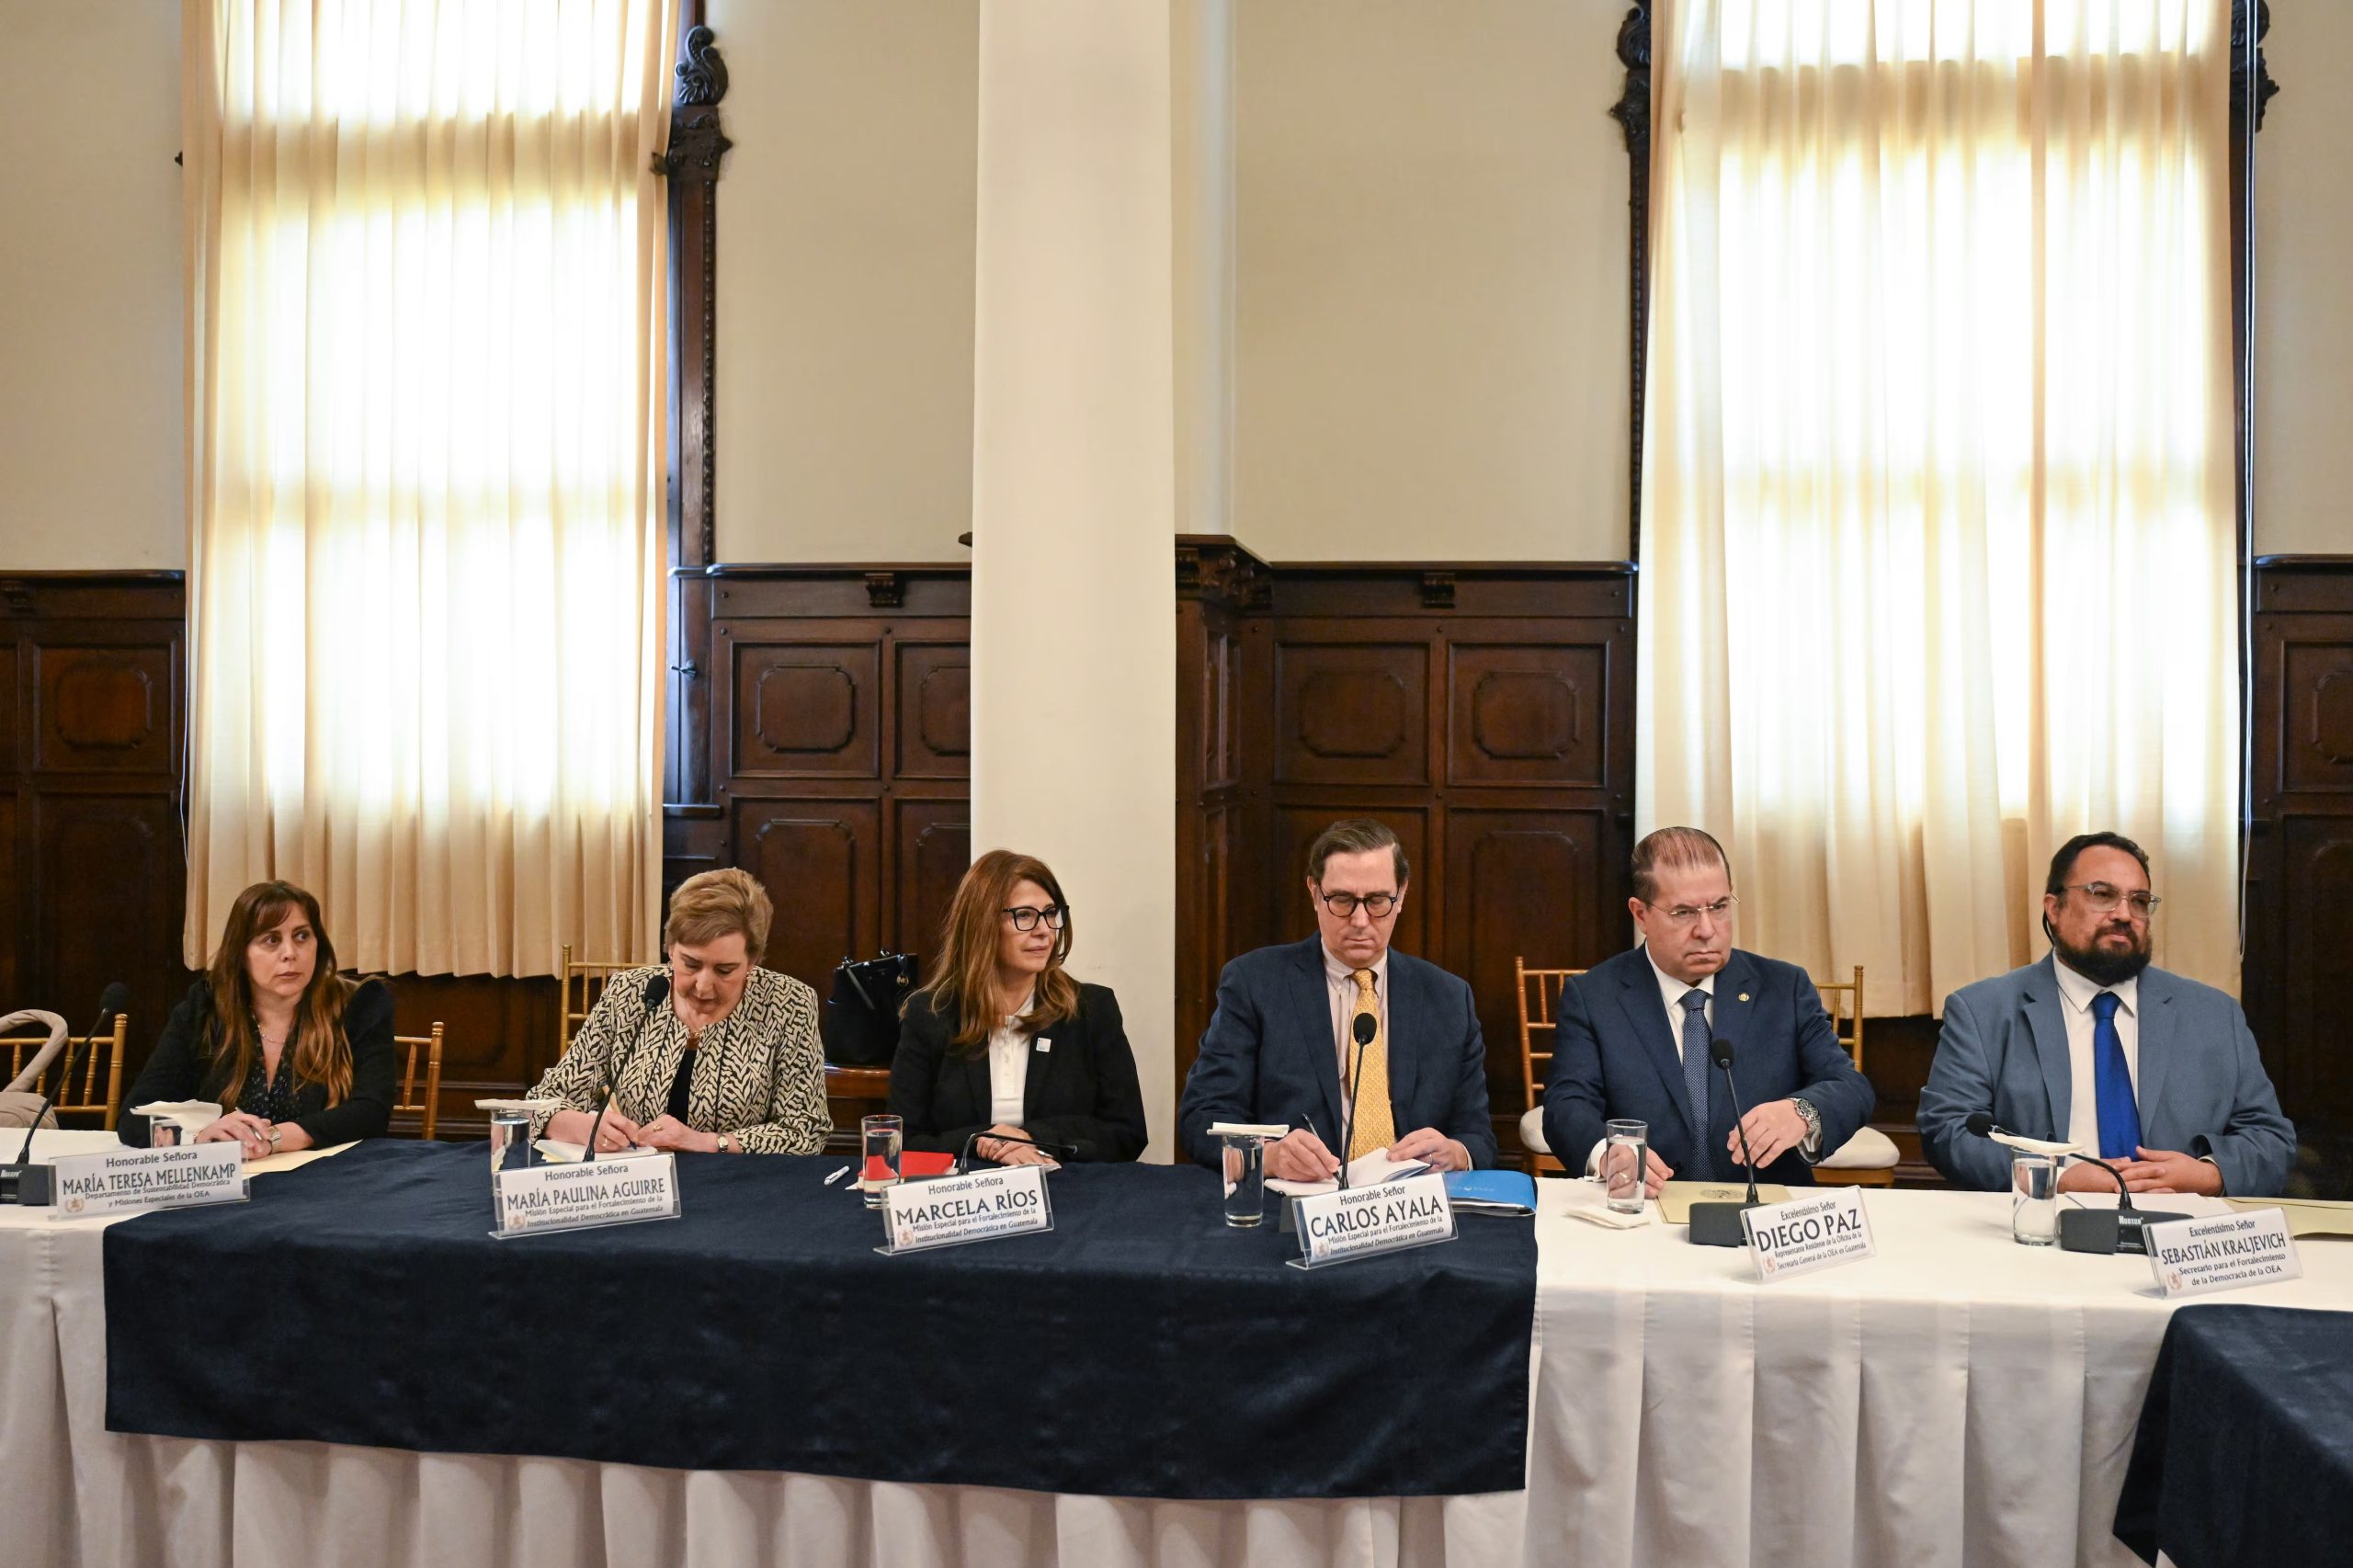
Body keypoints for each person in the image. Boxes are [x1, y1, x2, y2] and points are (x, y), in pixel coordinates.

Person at [1919, 832, 2294, 1195]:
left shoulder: (2213, 1015)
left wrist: (2208, 1175)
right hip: (2044, 1225)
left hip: (2180, 1233)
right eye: (2103, 895)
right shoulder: (1983, 1011)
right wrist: (2057, 1179)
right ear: (2054, 909)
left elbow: (2270, 1139)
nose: (2124, 914)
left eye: (2139, 901)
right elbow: (1947, 1131)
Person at [1542, 827, 1875, 1196]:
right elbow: (1566, 1105)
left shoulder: (1784, 987)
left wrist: (1802, 1111)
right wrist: (1607, 1153)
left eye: (1718, 907)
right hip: (1647, 1211)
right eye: (1683, 912)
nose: (1706, 929)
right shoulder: (1594, 996)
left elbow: (1851, 1088)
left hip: (1765, 1211)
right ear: (1640, 915)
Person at [1177, 819, 1496, 1177]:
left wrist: (1455, 1153)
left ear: (1402, 895)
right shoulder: (1255, 984)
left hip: (1412, 1209)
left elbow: (1479, 1135)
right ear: (1315, 893)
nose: (1360, 920)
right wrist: (1268, 1157)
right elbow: (1202, 1117)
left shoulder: (1448, 998)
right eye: (1342, 900)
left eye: (1377, 901)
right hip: (1299, 1207)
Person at [528, 868, 828, 1155]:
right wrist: (579, 1125)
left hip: (737, 1186)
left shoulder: (788, 1003)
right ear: (670, 948)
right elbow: (544, 1102)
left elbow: (806, 1130)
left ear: (752, 961)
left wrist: (709, 1142)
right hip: (636, 1186)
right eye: (691, 964)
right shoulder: (630, 992)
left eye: (725, 970)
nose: (703, 986)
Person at [891, 849, 1148, 1165]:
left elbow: (1127, 1133)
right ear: (981, 925)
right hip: (964, 1200)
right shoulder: (930, 1014)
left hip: (1069, 1193)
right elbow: (902, 1142)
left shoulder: (1091, 1009)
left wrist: (1034, 1139)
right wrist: (985, 1140)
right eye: (1024, 915)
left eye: (1051, 913)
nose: (1045, 930)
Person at [122, 881, 394, 1154]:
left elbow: (371, 1111)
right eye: (271, 940)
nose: (290, 953)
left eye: (302, 936)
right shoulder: (205, 1010)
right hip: (232, 1179)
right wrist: (197, 1136)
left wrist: (271, 1139)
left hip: (333, 1177)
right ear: (241, 953)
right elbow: (134, 1116)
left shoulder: (358, 1004)